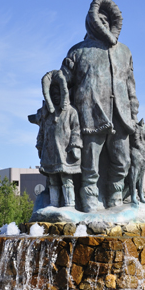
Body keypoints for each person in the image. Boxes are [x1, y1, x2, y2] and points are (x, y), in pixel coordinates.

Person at [42, 0, 140, 212]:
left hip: (120, 115)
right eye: (100, 20)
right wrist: (50, 86)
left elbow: (130, 85)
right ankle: (89, 198)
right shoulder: (78, 51)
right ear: (92, 22)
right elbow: (63, 80)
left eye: (107, 21)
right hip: (92, 114)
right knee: (90, 163)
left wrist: (133, 111)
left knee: (122, 160)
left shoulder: (125, 52)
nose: (104, 25)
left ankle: (115, 198)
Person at [29, 70, 82, 208]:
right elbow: (41, 132)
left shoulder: (71, 112)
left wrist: (75, 146)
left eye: (58, 94)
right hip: (49, 153)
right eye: (53, 95)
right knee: (52, 179)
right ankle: (53, 204)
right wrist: (39, 146)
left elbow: (76, 130)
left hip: (65, 153)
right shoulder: (46, 114)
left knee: (66, 178)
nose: (56, 97)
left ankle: (70, 205)